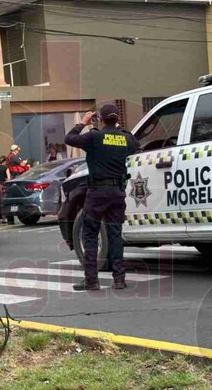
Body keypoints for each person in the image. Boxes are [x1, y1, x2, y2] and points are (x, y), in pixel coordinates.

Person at [64, 104, 139, 291]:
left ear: (101, 119)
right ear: (117, 120)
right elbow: (135, 143)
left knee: (89, 234)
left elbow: (69, 139)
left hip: (97, 193)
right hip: (117, 193)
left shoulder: (94, 136)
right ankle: (119, 279)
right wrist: (118, 128)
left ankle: (92, 281)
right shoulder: (125, 138)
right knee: (115, 235)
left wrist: (83, 122)